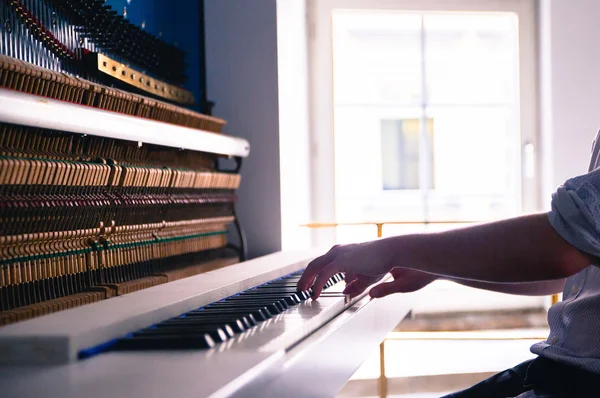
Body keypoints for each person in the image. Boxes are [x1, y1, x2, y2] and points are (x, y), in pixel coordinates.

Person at [297, 131, 600, 397]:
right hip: (558, 372)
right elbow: (571, 268)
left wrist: (393, 249)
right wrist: (435, 267)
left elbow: (563, 247)